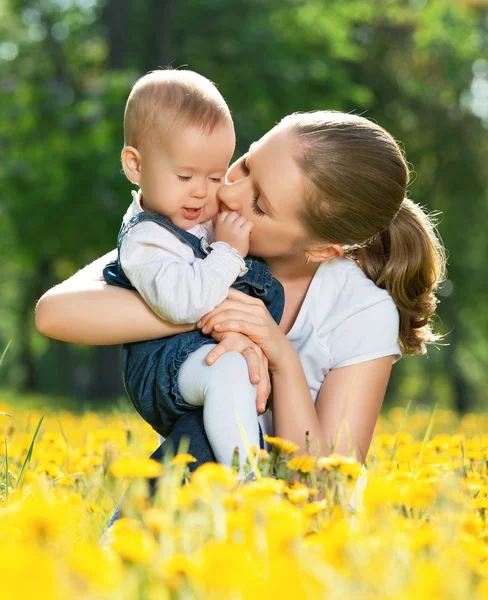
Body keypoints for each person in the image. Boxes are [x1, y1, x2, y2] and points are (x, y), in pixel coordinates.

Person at [36, 110, 446, 477]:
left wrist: (280, 357)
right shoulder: (199, 241)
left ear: (320, 251)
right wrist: (205, 301)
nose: (228, 194)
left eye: (259, 205)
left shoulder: (362, 311)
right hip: (201, 486)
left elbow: (325, 493)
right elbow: (54, 314)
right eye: (246, 165)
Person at [100, 69, 284, 472]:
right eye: (185, 176)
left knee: (237, 371)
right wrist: (228, 252)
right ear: (135, 165)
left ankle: (244, 472)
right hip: (162, 367)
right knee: (229, 368)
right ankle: (248, 482)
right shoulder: (146, 240)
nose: (202, 190)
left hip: (197, 354)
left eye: (216, 175)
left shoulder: (193, 211)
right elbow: (184, 304)